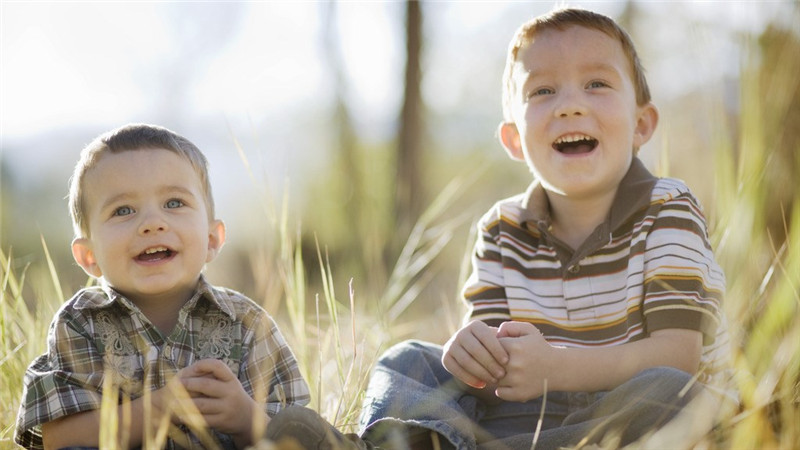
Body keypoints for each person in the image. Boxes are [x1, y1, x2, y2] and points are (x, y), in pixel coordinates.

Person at [264, 7, 733, 450]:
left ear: (641, 123)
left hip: (625, 411)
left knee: (672, 390)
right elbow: (487, 366)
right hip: (527, 417)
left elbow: (678, 355)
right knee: (407, 361)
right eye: (542, 91)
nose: (569, 105)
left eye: (596, 84)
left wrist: (557, 368)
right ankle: (404, 440)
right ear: (513, 138)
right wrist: (471, 352)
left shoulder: (667, 208)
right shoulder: (502, 229)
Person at [14, 124, 310, 449]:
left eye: (174, 203)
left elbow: (299, 437)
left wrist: (245, 419)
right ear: (89, 255)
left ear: (212, 239)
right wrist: (161, 407)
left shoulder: (248, 324)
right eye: (123, 210)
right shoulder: (80, 324)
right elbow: (60, 438)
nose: (153, 223)